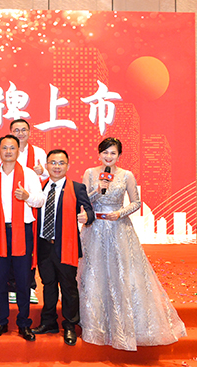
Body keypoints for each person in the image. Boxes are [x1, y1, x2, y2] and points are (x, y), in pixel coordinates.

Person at [78, 137, 186, 351]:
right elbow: (84, 201)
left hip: (119, 228)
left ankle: (125, 325)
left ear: (119, 155)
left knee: (121, 272)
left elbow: (136, 202)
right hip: (94, 228)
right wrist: (97, 189)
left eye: (113, 153)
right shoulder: (90, 173)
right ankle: (95, 324)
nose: (109, 156)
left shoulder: (127, 175)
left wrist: (120, 213)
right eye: (105, 152)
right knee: (94, 273)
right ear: (99, 154)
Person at [0, 135, 44, 341]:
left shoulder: (28, 174)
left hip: (22, 231)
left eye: (12, 148)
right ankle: (0, 321)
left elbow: (39, 200)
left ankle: (24, 323)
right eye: (5, 148)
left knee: (23, 280)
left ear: (18, 151)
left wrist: (27, 197)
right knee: (0, 280)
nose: (8, 151)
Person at [32, 149, 94, 346]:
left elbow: (90, 211)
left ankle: (69, 325)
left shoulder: (77, 188)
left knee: (68, 287)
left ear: (68, 166)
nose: (56, 167)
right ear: (46, 166)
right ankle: (48, 322)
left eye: (61, 163)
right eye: (53, 163)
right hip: (43, 245)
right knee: (48, 285)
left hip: (66, 245)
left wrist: (87, 216)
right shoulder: (39, 187)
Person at [0, 119, 46, 305]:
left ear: (30, 132)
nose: (20, 133)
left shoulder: (38, 154)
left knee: (26, 255)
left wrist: (42, 172)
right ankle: (11, 288)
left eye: (24, 130)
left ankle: (29, 287)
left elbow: (46, 182)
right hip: (3, 220)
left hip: (28, 213)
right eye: (16, 130)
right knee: (4, 262)